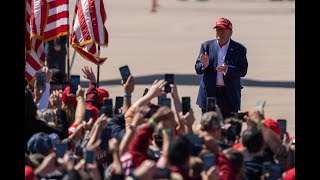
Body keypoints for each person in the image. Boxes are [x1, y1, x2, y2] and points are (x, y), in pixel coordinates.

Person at [195, 17, 248, 119]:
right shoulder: (206, 46)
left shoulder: (239, 49)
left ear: (230, 32)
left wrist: (228, 69)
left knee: (229, 127)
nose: (220, 32)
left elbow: (243, 71)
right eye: (218, 30)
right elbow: (197, 68)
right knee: (208, 127)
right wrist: (204, 66)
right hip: (210, 94)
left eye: (223, 30)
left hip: (229, 95)